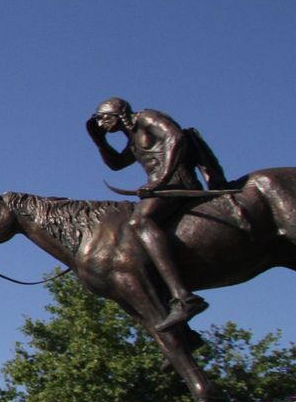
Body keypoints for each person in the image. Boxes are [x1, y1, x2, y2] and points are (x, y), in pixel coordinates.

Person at [87, 98, 228, 328]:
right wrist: (99, 141)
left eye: (104, 117)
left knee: (140, 222)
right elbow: (117, 164)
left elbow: (176, 137)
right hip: (162, 187)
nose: (102, 124)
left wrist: (162, 179)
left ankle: (184, 296)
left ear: (118, 112)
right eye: (99, 120)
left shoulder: (147, 117)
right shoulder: (133, 138)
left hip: (176, 183)